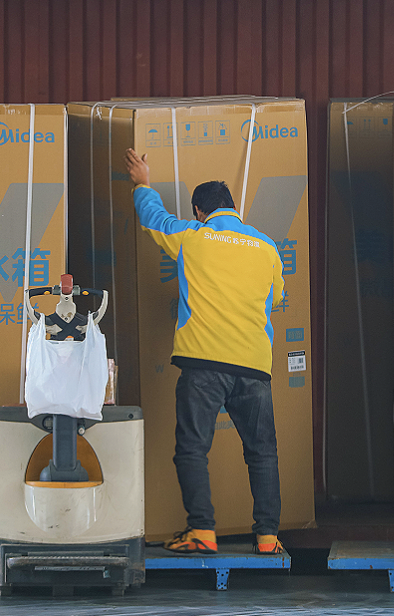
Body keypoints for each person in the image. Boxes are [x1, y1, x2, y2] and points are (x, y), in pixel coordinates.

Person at [123, 148, 286, 556]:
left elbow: (154, 220)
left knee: (193, 448)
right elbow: (276, 298)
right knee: (262, 453)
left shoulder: (192, 236)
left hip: (204, 364)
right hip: (254, 366)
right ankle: (268, 538)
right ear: (233, 208)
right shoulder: (267, 247)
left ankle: (202, 531)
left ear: (199, 211)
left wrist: (143, 183)